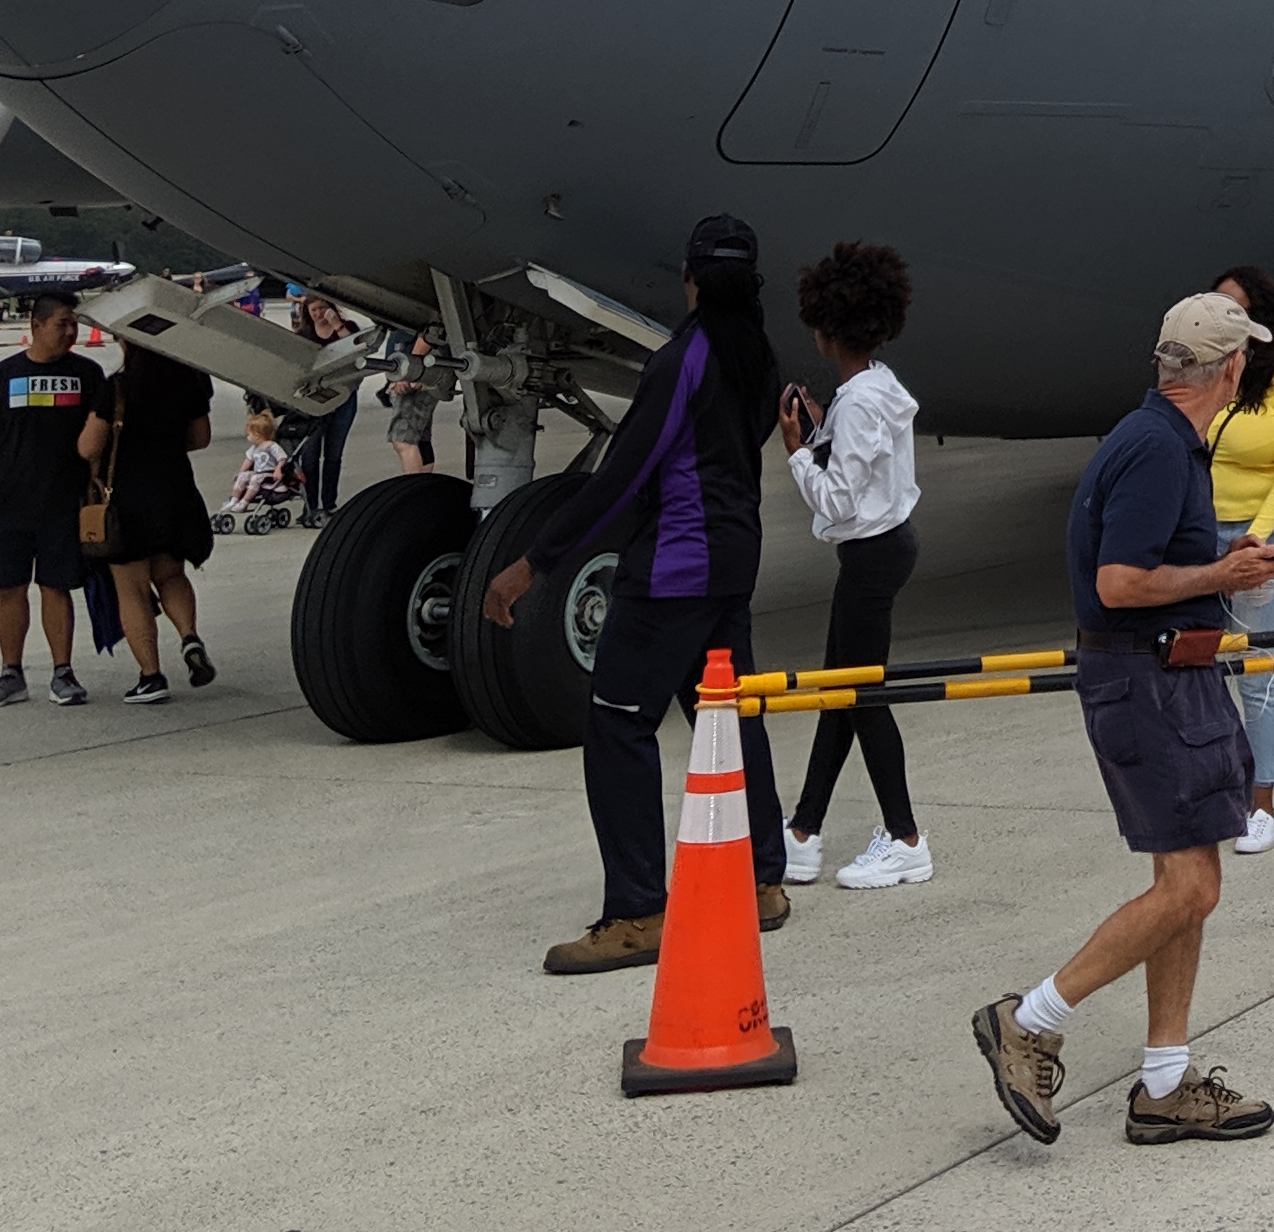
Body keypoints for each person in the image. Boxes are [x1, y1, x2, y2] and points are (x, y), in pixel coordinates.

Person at [975, 292, 1274, 1149]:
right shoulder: (1156, 450)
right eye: (1242, 360)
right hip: (1145, 679)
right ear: (1226, 368)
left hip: (1162, 675)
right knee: (1191, 889)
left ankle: (1162, 1084)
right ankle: (1030, 1018)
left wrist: (1220, 571)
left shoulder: (1154, 437)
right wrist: (1222, 572)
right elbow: (1119, 582)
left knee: (1183, 891)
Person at [488, 216, 793, 976]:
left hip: (675, 568)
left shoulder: (682, 361)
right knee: (726, 714)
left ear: (689, 281)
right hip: (734, 557)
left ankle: (636, 911)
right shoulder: (757, 356)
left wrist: (535, 561)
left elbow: (623, 473)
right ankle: (760, 881)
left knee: (618, 726)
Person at [779, 242, 926, 892]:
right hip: (878, 550)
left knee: (863, 699)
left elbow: (838, 497)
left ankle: (906, 839)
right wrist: (818, 435)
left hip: (871, 556)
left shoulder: (860, 401)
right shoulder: (874, 388)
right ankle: (803, 833)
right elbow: (858, 472)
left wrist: (795, 454)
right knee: (840, 696)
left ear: (824, 329)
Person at [1207, 259, 1274, 853]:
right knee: (1201, 665)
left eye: (1236, 311)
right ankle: (1224, 786)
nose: (1226, 322)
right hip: (1207, 536)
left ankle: (1262, 805)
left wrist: (1256, 537)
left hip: (1271, 534)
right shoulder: (1212, 376)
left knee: (1255, 669)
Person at [0, 297, 109, 709]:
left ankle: (63, 673)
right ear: (37, 324)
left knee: (57, 587)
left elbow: (103, 438)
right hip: (8, 505)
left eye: (74, 324)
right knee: (9, 588)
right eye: (62, 324)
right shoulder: (3, 375)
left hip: (65, 505)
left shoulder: (87, 374)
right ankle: (11, 674)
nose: (70, 333)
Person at [93, 340, 217, 702]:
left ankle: (151, 676)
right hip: (175, 492)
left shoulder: (118, 387)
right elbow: (200, 437)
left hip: (128, 498)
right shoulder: (188, 383)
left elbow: (89, 445)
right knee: (171, 574)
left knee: (131, 588)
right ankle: (189, 636)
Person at [285, 293, 359, 525]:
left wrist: (337, 325)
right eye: (314, 310)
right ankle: (310, 505)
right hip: (314, 400)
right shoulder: (305, 335)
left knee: (333, 454)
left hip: (344, 397)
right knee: (310, 454)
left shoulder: (347, 328)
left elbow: (354, 352)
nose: (319, 314)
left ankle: (329, 503)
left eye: (323, 308)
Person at [380, 332, 450, 474]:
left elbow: (430, 333)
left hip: (416, 375)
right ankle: (424, 485)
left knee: (404, 441)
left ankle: (414, 487)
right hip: (416, 373)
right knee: (420, 440)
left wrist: (409, 372)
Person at [227, 407, 296, 528]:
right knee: (244, 476)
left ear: (258, 436)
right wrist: (240, 472)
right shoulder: (254, 449)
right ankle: (234, 499)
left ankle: (244, 502)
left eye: (249, 435)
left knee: (255, 478)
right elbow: (248, 461)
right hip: (259, 474)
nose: (247, 437)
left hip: (270, 475)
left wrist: (278, 469)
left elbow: (282, 459)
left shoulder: (272, 446)